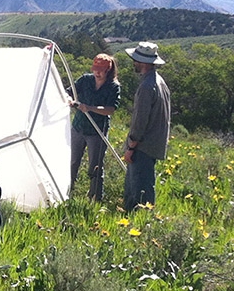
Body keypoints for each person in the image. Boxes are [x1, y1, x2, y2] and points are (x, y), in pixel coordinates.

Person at [122, 42, 171, 212]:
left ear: (142, 62)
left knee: (140, 190)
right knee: (136, 186)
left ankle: (141, 224)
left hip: (143, 146)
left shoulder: (146, 86)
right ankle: (131, 220)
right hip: (153, 143)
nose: (134, 63)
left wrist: (131, 146)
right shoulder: (159, 81)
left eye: (135, 60)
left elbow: (140, 120)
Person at [69, 54, 121, 201]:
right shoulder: (85, 80)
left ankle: (95, 197)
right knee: (73, 161)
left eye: (101, 70)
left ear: (108, 71)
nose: (97, 73)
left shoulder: (113, 87)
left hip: (97, 131)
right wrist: (69, 99)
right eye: (95, 69)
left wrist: (90, 108)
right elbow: (69, 91)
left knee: (95, 165)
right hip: (78, 127)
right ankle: (67, 191)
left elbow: (110, 109)